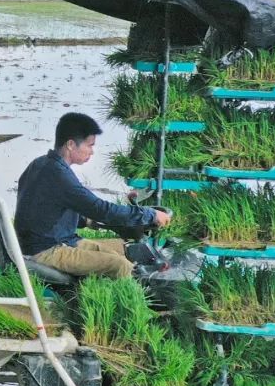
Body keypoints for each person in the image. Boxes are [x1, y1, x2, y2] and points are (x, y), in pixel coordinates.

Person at [14, 112, 170, 279]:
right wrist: (151, 215)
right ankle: (126, 303)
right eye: (89, 145)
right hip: (45, 250)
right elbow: (101, 210)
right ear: (71, 145)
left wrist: (86, 221)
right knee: (120, 266)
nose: (92, 152)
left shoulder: (42, 163)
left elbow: (47, 209)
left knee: (123, 253)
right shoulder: (59, 175)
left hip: (56, 239)